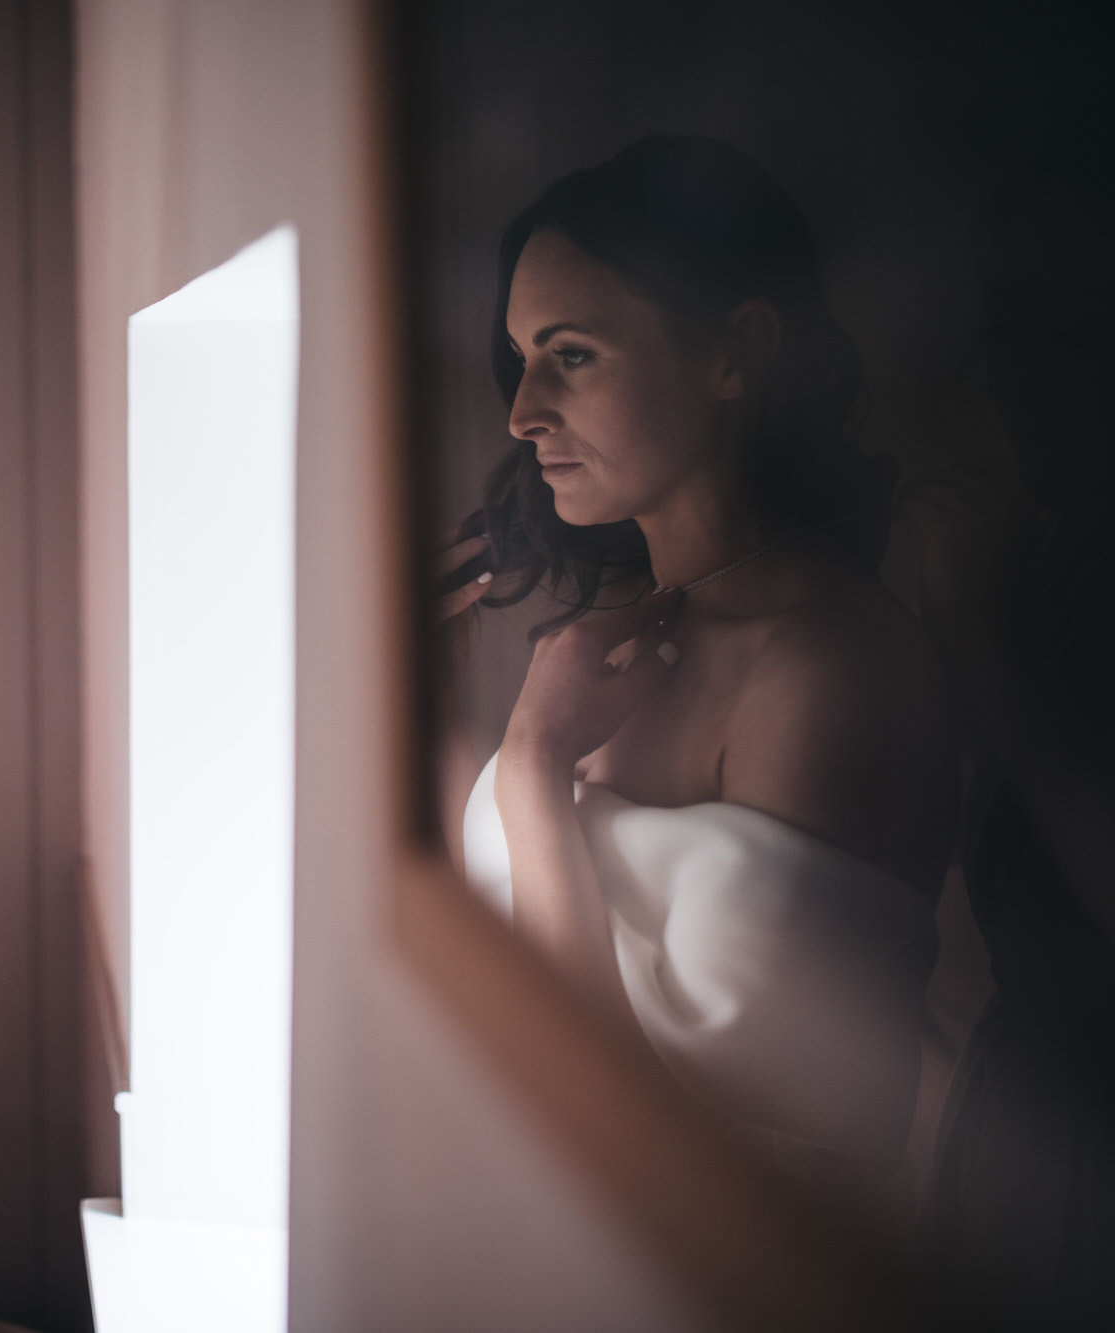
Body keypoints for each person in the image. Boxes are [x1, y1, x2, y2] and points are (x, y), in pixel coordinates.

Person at [444, 136, 958, 1191]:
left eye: (570, 354)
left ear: (734, 353)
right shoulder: (603, 643)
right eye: (520, 357)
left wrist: (535, 767)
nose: (520, 411)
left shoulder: (825, 674)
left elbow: (637, 1141)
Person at [907, 148, 1115, 1328]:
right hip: (1016, 1121)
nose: (1005, 375)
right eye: (996, 328)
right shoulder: (1044, 548)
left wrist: (987, 650)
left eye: (1058, 327)